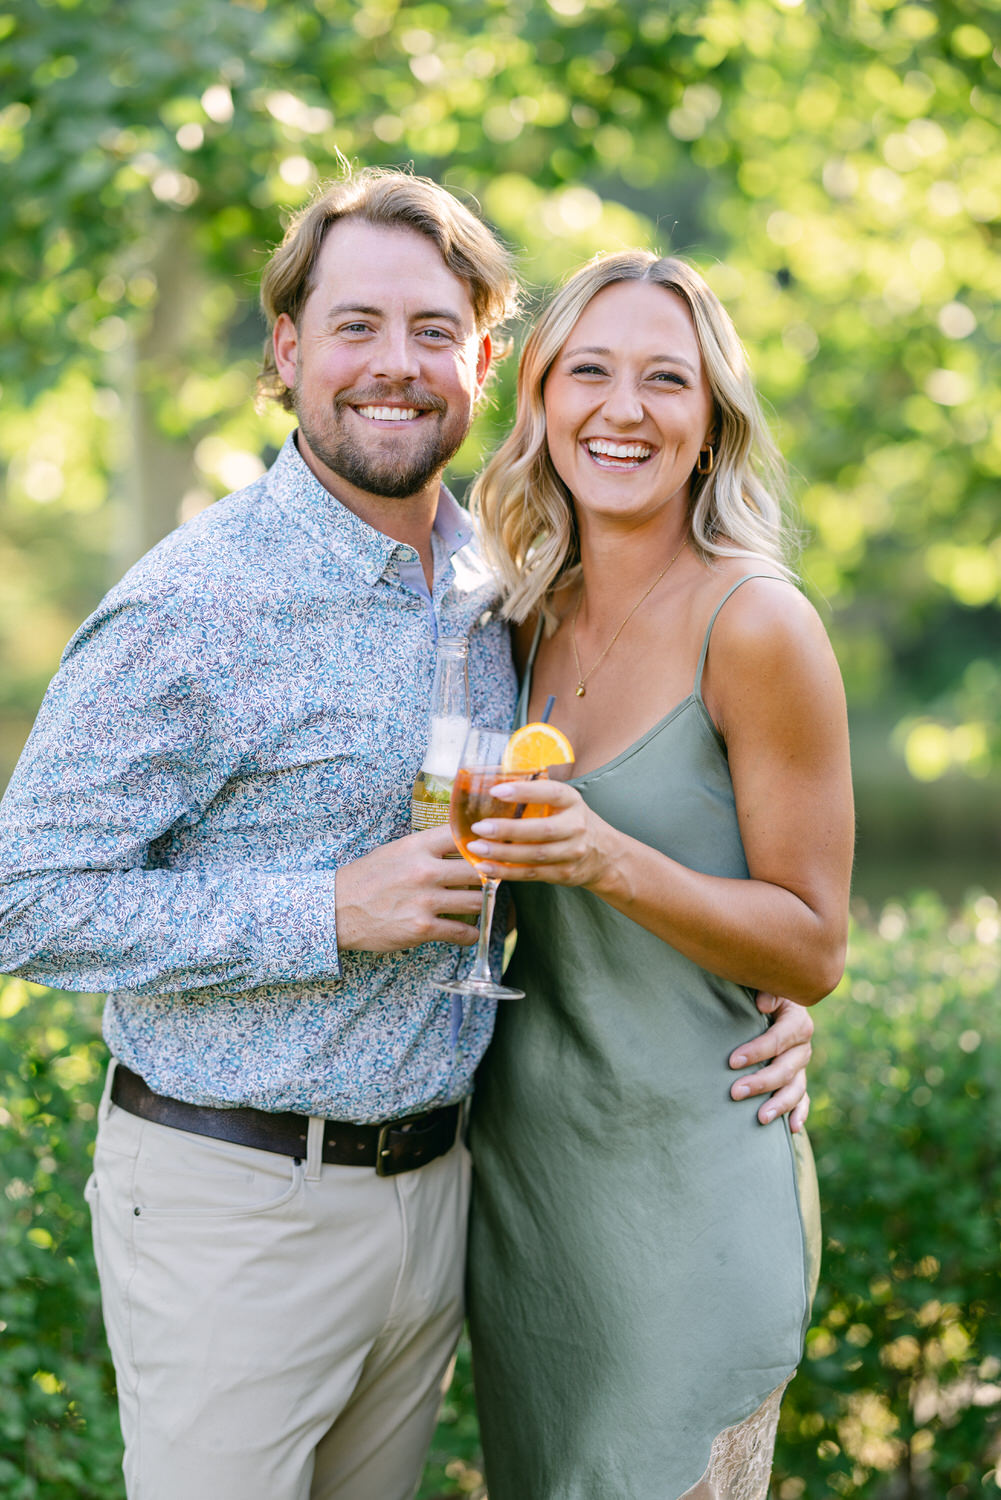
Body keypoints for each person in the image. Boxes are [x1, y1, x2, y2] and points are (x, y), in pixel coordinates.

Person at [0, 171, 814, 1500]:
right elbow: (23, 895)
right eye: (356, 326)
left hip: (440, 1199)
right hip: (235, 1201)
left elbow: (642, 833)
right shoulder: (192, 604)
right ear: (288, 350)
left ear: (484, 360)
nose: (396, 365)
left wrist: (755, 989)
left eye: (434, 330)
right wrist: (325, 909)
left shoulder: (504, 583)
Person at [464, 252, 854, 1499]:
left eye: (664, 380)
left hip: (689, 1185)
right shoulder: (517, 617)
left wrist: (609, 859)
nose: (621, 408)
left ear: (709, 426)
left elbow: (811, 946)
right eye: (590, 370)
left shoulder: (757, 624)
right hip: (528, 1188)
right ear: (537, 397)